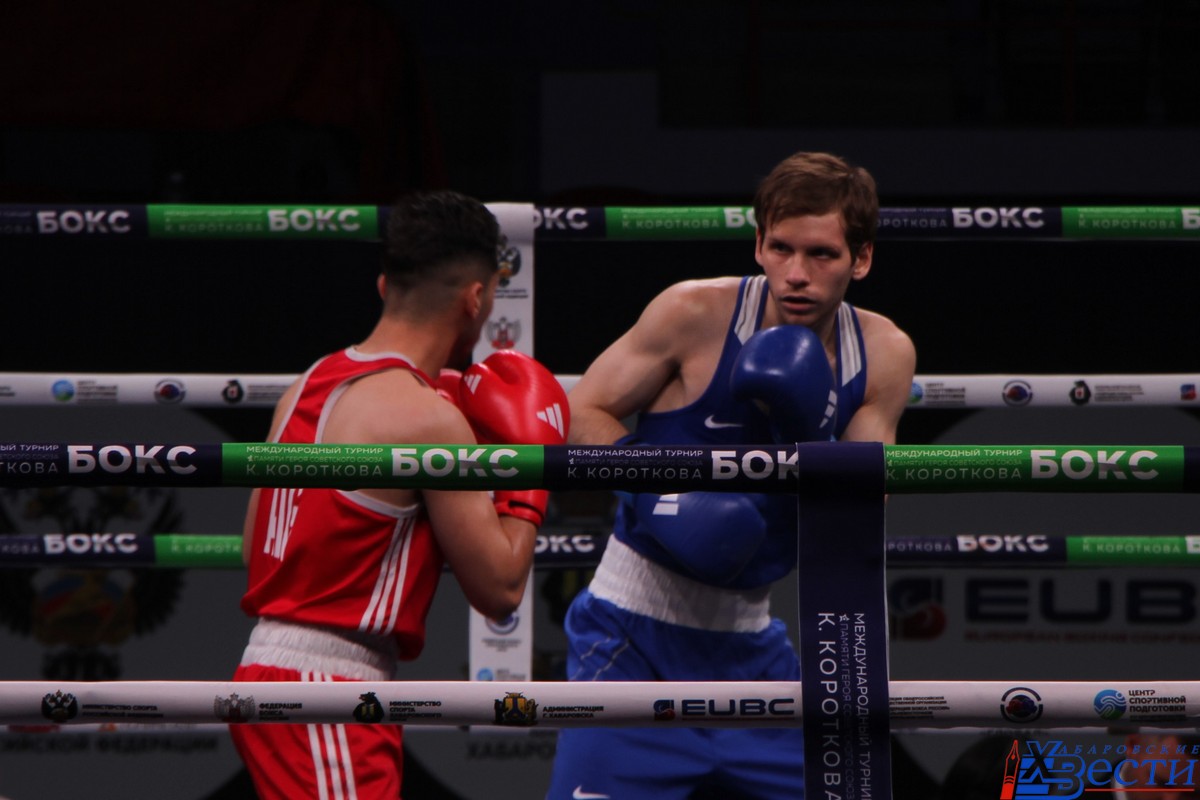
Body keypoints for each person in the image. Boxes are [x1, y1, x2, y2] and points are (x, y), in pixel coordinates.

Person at [545, 151, 916, 799]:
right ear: (758, 244)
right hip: (629, 639)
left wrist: (809, 433)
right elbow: (582, 413)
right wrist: (663, 495)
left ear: (861, 259)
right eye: (782, 248)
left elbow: (863, 503)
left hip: (753, 651)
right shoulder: (694, 313)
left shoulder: (883, 352)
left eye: (822, 255)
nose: (796, 274)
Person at [229, 190, 569, 800]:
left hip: (274, 666)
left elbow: (254, 546)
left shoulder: (307, 384)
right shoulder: (427, 418)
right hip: (329, 689)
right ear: (476, 298)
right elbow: (499, 589)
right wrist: (529, 470)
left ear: (385, 285)